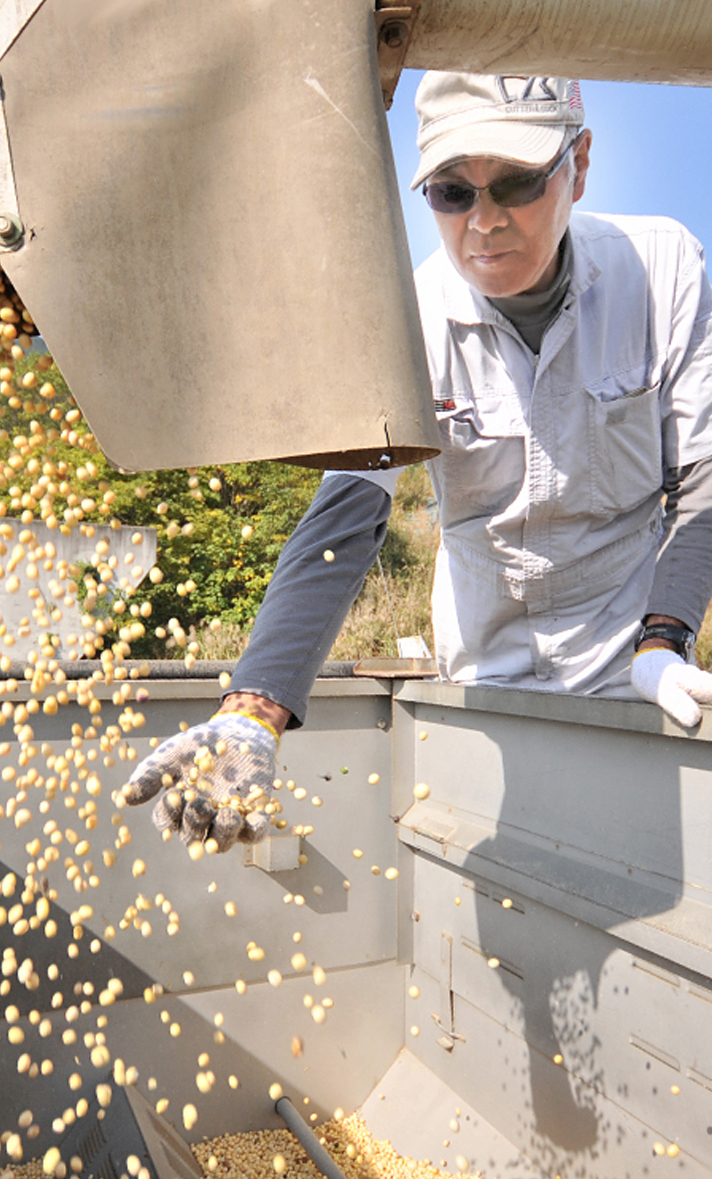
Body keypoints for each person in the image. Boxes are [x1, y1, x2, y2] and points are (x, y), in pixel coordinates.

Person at [124, 71, 712, 850]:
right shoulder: (409, 316)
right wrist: (253, 706)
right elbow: (349, 515)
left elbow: (701, 480)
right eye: (452, 192)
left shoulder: (661, 269)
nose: (486, 221)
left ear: (579, 163)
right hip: (482, 669)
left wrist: (664, 638)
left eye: (518, 182)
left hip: (626, 659)